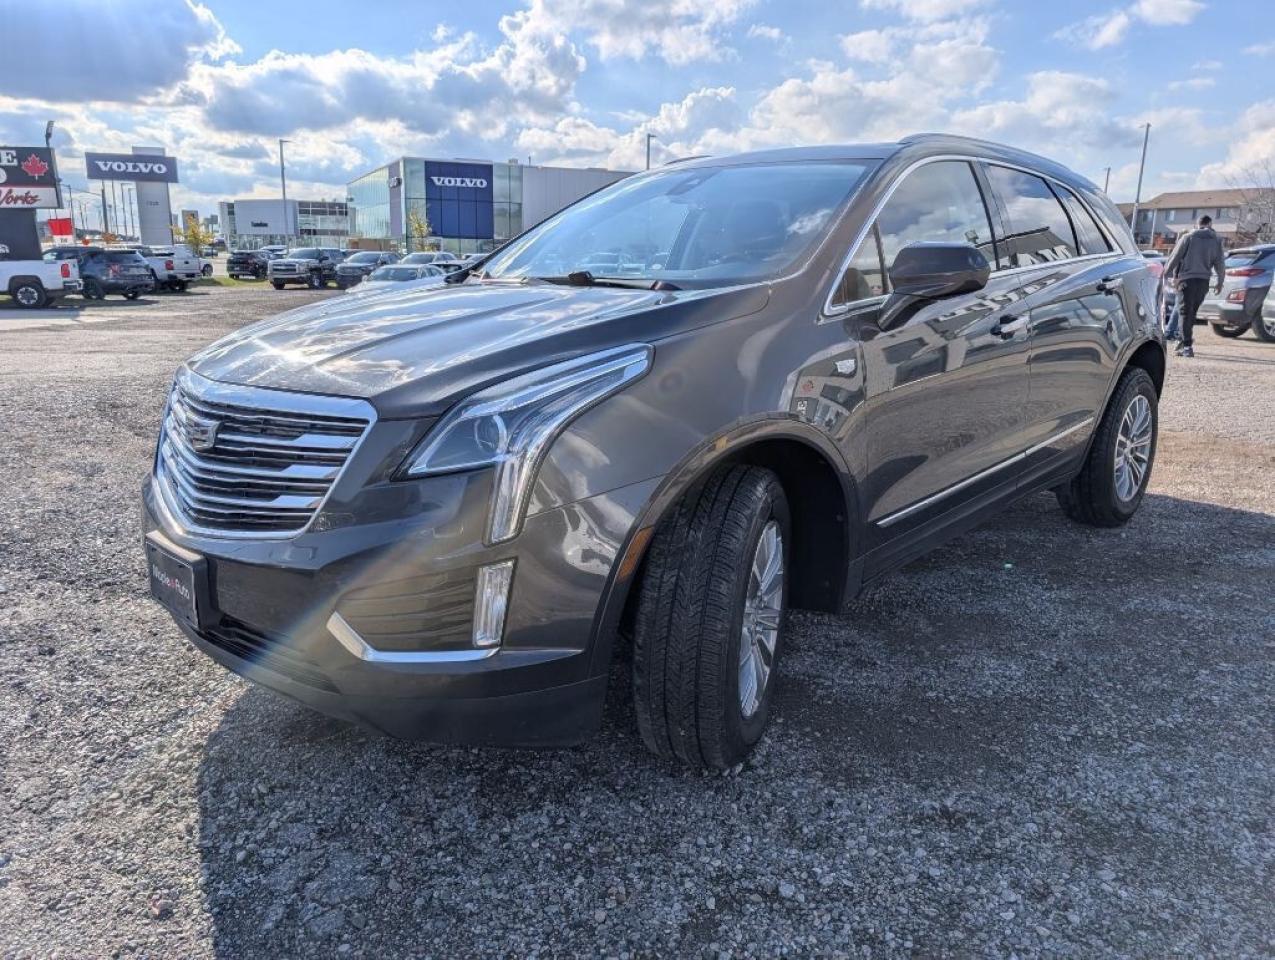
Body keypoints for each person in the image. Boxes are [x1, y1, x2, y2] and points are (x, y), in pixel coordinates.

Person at [1163, 214, 1226, 357]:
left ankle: (1186, 346)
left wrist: (1164, 274)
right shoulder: (1216, 240)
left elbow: (1175, 257)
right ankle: (1183, 341)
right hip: (1203, 282)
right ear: (1210, 224)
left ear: (1197, 224)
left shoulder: (1188, 237)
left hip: (1186, 280)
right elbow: (1220, 263)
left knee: (1185, 313)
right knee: (1191, 314)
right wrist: (1220, 282)